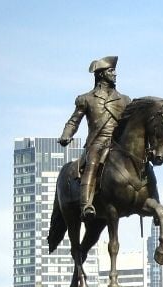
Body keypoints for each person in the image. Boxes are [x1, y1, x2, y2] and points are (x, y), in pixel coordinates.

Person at [59, 56, 131, 220]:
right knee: (91, 163)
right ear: (101, 74)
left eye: (114, 70)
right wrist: (66, 135)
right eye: (111, 71)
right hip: (97, 143)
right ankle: (86, 204)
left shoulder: (125, 100)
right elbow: (74, 121)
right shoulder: (87, 99)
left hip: (118, 145)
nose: (115, 74)